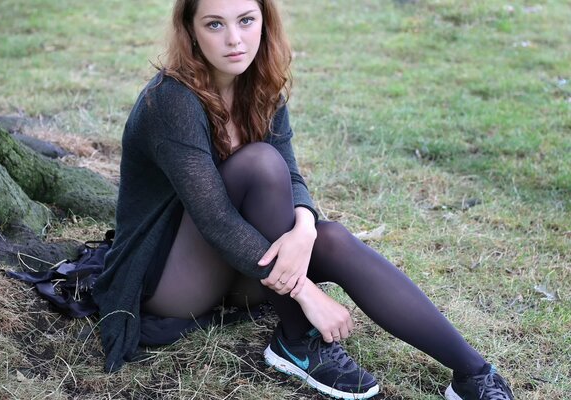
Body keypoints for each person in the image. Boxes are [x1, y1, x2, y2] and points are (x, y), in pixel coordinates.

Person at [92, 0, 515, 399]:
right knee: (259, 163)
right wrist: (306, 292)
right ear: (191, 31)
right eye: (214, 24)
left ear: (264, 20)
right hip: (171, 280)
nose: (234, 39)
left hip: (244, 268)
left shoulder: (261, 85)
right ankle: (300, 343)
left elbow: (292, 176)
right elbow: (216, 219)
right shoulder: (171, 100)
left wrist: (305, 228)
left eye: (246, 20)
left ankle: (474, 373)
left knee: (329, 237)